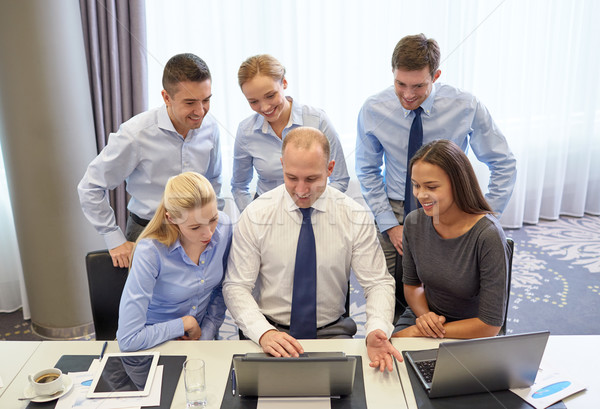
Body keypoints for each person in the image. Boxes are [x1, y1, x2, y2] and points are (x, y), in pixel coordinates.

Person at [355, 33, 516, 320]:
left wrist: (485, 216)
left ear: (436, 75)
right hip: (394, 208)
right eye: (400, 84)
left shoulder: (465, 106)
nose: (408, 94)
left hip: (450, 208)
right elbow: (367, 169)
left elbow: (503, 162)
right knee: (387, 290)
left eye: (418, 86)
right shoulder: (373, 109)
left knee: (455, 287)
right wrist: (390, 224)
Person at [223, 127, 402, 372]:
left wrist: (377, 328)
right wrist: (263, 332)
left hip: (332, 333)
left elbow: (377, 283)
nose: (301, 190)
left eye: (311, 179)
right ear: (282, 165)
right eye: (292, 177)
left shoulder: (354, 215)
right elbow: (236, 286)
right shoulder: (256, 214)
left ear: (330, 169)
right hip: (268, 332)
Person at [78, 53, 223, 268]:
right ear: (166, 97)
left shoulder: (210, 128)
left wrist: (212, 227)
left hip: (197, 233)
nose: (200, 111)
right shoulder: (136, 134)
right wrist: (113, 238)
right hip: (149, 233)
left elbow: (214, 181)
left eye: (206, 100)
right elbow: (90, 187)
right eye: (190, 102)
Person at [392, 140, 509, 339]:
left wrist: (421, 332)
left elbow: (489, 325)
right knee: (389, 358)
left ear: (458, 184)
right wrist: (426, 318)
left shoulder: (488, 236)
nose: (420, 195)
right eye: (416, 185)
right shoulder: (414, 222)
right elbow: (412, 285)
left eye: (431, 186)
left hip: (471, 330)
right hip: (425, 315)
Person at [117, 172, 231, 352]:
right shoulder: (150, 252)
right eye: (195, 227)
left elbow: (220, 291)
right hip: (154, 343)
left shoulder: (224, 228)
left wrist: (204, 336)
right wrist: (184, 324)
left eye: (213, 219)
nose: (209, 233)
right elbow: (128, 339)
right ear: (171, 219)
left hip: (202, 338)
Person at [231, 54, 349, 213]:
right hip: (267, 213)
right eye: (253, 101)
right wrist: (253, 217)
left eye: (270, 95)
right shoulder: (246, 131)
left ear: (284, 83)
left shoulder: (317, 120)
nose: (264, 107)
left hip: (312, 209)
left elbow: (340, 179)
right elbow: (239, 186)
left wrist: (312, 209)